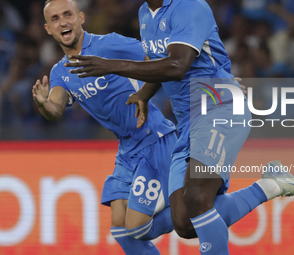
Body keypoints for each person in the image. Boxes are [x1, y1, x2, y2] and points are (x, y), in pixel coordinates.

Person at [65, 0, 294, 254]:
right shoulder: (145, 13)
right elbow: (161, 62)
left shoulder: (190, 5)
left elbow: (178, 65)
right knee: (185, 223)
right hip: (188, 121)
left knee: (197, 198)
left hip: (219, 106)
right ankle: (271, 185)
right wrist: (144, 94)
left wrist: (110, 66)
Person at [33, 0, 178, 254]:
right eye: (55, 19)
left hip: (153, 138)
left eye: (68, 14)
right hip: (127, 148)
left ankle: (209, 206)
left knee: (141, 226)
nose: (63, 22)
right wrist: (43, 104)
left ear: (81, 17)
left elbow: (156, 59)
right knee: (121, 230)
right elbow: (55, 109)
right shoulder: (59, 72)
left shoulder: (108, 44)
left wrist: (143, 94)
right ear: (48, 28)